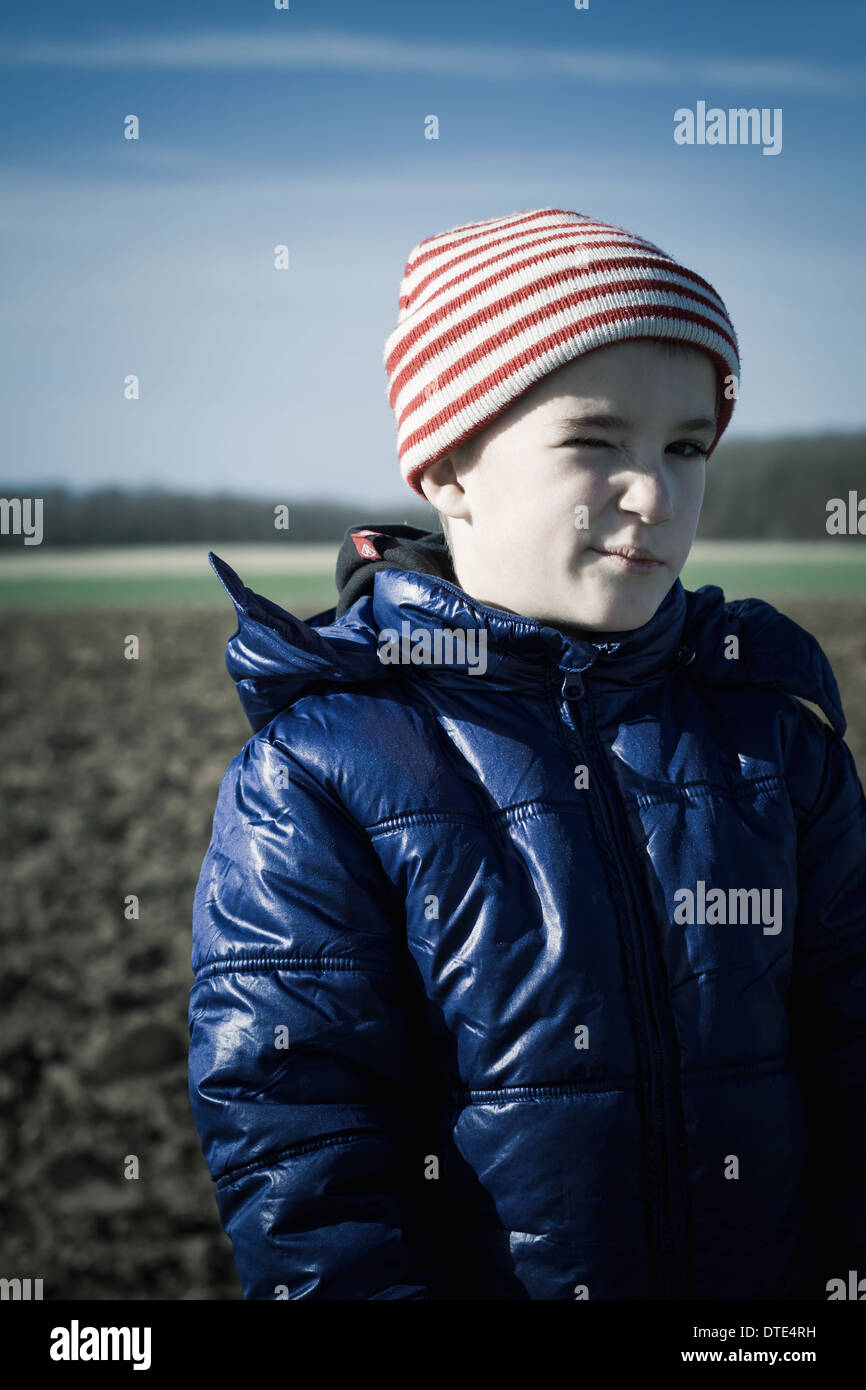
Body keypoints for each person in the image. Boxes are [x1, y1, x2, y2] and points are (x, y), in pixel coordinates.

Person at [188, 207, 866, 1300]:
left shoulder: (769, 738)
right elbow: (302, 1153)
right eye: (594, 441)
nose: (652, 493)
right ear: (449, 465)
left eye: (684, 446)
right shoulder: (322, 774)